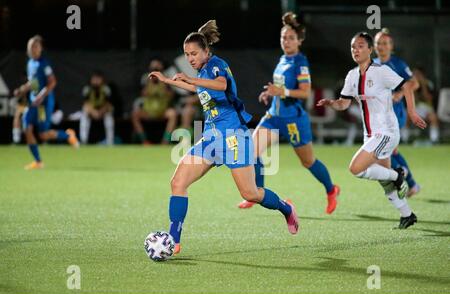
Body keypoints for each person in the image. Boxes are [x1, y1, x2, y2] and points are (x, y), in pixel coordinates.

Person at [149, 20, 299, 255]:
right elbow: (201, 90)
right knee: (178, 182)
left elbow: (220, 85)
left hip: (233, 136)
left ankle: (286, 208)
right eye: (187, 54)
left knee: (250, 193)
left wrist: (192, 79)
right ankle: (174, 239)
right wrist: (169, 81)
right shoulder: (201, 72)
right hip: (210, 135)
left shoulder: (217, 65)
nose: (190, 58)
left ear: (206, 51)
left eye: (194, 53)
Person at [317, 32, 427, 229]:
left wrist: (411, 112)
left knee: (356, 169)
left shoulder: (381, 71)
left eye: (360, 46)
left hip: (387, 132)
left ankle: (398, 174)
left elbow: (409, 86)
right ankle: (407, 214)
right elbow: (344, 103)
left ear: (370, 50)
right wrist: (332, 103)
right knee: (383, 180)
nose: (356, 50)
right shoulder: (352, 75)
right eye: (353, 47)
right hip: (371, 135)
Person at [237, 12, 340, 214]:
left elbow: (305, 92)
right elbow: (280, 87)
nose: (286, 41)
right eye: (284, 37)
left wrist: (281, 92)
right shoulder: (283, 59)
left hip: (293, 119)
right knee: (251, 152)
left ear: (300, 40)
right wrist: (270, 94)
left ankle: (331, 189)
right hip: (274, 117)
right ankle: (257, 193)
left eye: (291, 38)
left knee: (308, 161)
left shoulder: (300, 62)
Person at [13, 35, 79, 170]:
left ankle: (68, 135)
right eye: (31, 46)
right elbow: (33, 82)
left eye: (36, 46)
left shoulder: (45, 64)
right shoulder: (30, 63)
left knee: (43, 135)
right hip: (33, 103)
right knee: (27, 128)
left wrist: (41, 96)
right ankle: (38, 162)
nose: (33, 49)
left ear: (41, 48)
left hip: (43, 104)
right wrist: (22, 89)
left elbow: (52, 82)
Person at [373, 28, 421, 197]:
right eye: (378, 43)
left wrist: (400, 94)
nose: (381, 46)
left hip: (395, 114)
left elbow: (414, 83)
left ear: (391, 46)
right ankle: (412, 184)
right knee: (391, 151)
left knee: (382, 151)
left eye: (385, 43)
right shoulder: (372, 64)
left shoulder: (398, 64)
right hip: (378, 115)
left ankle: (402, 174)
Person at [131, 59, 177, 145]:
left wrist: (163, 83)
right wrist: (151, 82)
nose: (155, 68)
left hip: (162, 111)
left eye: (157, 67)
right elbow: (143, 93)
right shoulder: (146, 78)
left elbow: (171, 95)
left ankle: (165, 142)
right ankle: (144, 141)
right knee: (135, 114)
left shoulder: (166, 78)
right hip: (148, 111)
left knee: (173, 114)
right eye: (153, 67)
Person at [79, 71, 115, 145]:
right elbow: (85, 104)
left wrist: (100, 112)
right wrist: (94, 112)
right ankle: (83, 140)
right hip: (92, 111)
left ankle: (110, 141)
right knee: (84, 114)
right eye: (94, 79)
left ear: (102, 80)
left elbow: (109, 104)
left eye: (98, 79)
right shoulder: (87, 89)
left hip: (103, 111)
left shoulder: (106, 89)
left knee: (109, 116)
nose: (96, 81)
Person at [412, 67, 440, 144]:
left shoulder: (428, 83)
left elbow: (428, 98)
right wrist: (414, 87)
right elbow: (414, 101)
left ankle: (434, 140)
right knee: (407, 115)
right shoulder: (411, 84)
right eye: (414, 74)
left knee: (433, 118)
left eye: (418, 74)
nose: (416, 76)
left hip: (427, 108)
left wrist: (423, 84)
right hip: (416, 108)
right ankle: (404, 139)